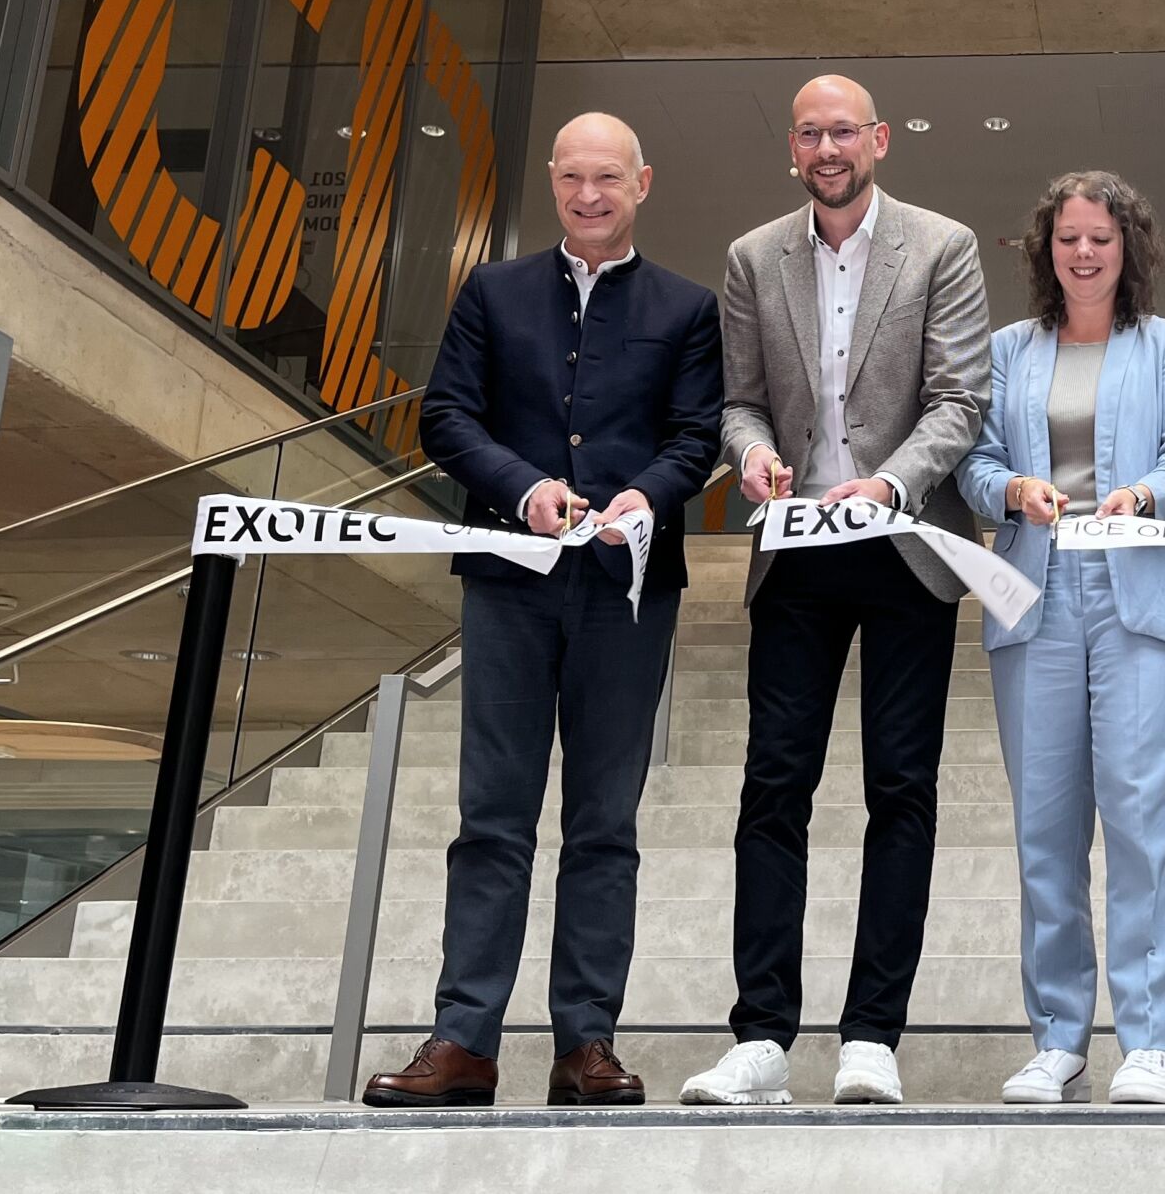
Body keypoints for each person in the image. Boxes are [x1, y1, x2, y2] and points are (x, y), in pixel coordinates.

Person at [366, 112, 723, 1107]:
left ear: (642, 181)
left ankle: (586, 1044)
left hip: (629, 592)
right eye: (572, 178)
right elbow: (445, 414)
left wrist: (643, 494)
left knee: (604, 823)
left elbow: (697, 434)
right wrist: (523, 488)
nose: (589, 195)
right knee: (492, 817)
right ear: (553, 182)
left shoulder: (688, 307)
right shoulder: (491, 290)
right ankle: (463, 1038)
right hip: (508, 585)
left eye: (607, 177)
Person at [680, 76, 990, 1107]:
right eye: (810, 132)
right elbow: (737, 400)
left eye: (843, 130)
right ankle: (761, 1032)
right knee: (774, 783)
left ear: (879, 140)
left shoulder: (943, 245)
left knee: (901, 786)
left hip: (906, 540)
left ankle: (872, 1035)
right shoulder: (750, 256)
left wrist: (891, 480)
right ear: (793, 147)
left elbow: (959, 398)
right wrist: (756, 455)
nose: (827, 146)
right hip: (796, 550)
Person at [955, 171, 1165, 1106]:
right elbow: (977, 461)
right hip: (1034, 592)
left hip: (1139, 593)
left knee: (1142, 820)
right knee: (1045, 828)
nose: (1083, 252)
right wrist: (1008, 491)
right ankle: (1058, 1039)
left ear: (1128, 247)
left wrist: (1143, 494)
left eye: (1100, 238)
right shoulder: (1009, 350)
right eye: (1067, 237)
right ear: (1047, 250)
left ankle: (1147, 1043)